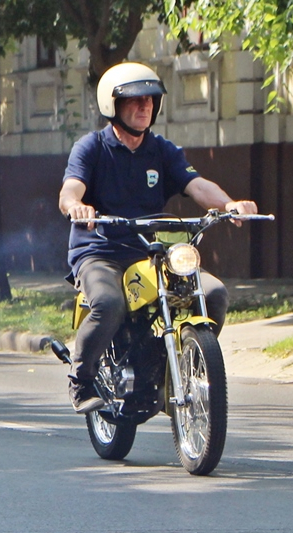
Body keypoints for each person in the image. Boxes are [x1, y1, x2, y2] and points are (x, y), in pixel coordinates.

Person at [57, 62, 258, 413]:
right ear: (112, 105)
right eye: (135, 100)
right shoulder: (92, 147)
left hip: (150, 250)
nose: (145, 106)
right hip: (100, 251)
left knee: (213, 294)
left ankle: (170, 369)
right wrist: (76, 206)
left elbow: (197, 186)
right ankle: (81, 378)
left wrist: (229, 205)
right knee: (109, 303)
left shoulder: (161, 150)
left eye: (150, 99)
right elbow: (70, 189)